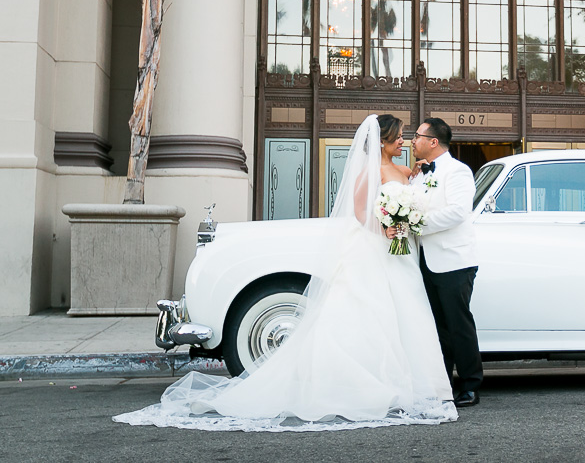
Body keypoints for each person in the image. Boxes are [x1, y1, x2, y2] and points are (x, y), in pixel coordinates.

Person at [113, 115, 457, 432]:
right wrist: (390, 229)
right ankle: (364, 383)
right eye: (398, 138)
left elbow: (411, 195)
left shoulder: (407, 171)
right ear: (382, 141)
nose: (403, 142)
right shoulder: (371, 171)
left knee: (406, 317)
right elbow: (359, 212)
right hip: (376, 250)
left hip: (402, 256)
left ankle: (413, 382)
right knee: (370, 315)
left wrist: (411, 194)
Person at [410, 118, 483, 407]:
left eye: (417, 136)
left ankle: (470, 384)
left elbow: (458, 212)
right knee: (438, 327)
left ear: (433, 142)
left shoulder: (458, 172)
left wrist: (416, 224)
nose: (412, 140)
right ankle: (443, 384)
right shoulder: (418, 174)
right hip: (425, 261)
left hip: (454, 260)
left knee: (458, 324)